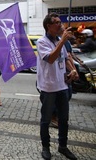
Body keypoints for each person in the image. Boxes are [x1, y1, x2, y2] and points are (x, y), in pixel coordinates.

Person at [36, 13, 77, 160]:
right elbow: (51, 59)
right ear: (49, 26)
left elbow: (65, 58)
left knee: (63, 119)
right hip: (48, 88)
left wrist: (72, 70)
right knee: (46, 120)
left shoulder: (60, 40)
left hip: (62, 86)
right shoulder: (41, 42)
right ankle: (45, 147)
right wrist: (63, 41)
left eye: (60, 22)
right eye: (57, 23)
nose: (60, 25)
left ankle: (63, 146)